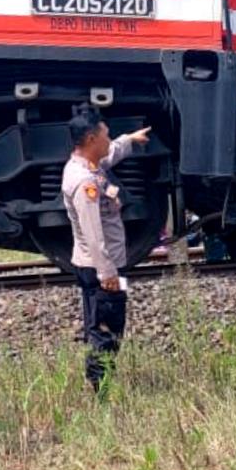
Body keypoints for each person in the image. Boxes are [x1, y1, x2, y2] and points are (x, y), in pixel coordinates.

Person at [62, 107, 152, 394]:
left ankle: (100, 384)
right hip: (102, 268)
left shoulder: (87, 164)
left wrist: (130, 139)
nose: (108, 139)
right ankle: (99, 390)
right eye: (105, 135)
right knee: (105, 329)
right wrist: (108, 273)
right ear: (90, 139)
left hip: (101, 266)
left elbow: (110, 153)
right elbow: (93, 232)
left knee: (105, 324)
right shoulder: (85, 182)